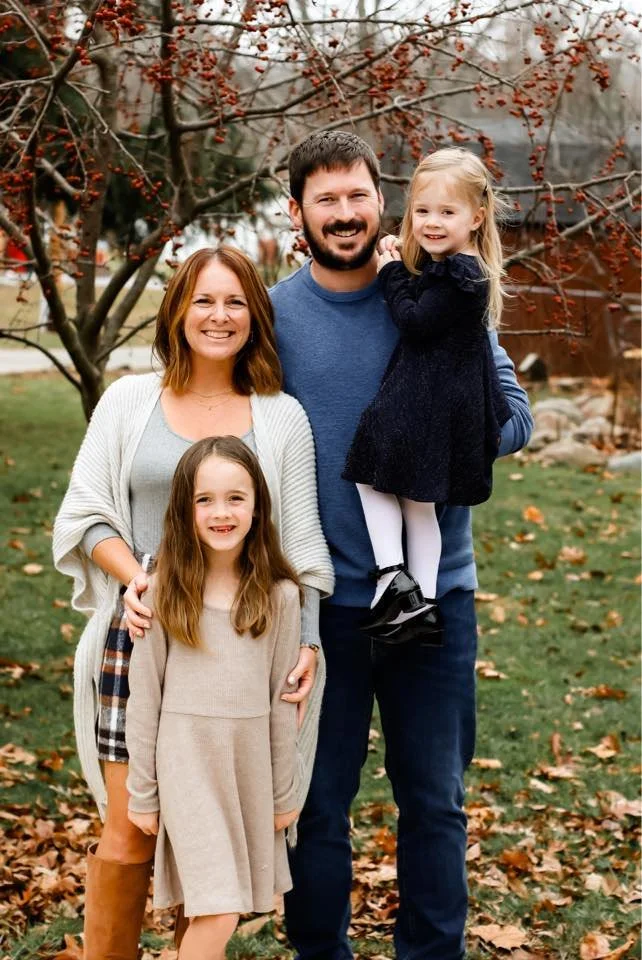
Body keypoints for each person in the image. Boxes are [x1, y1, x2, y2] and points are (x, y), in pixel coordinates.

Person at [270, 131, 533, 960]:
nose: (345, 215)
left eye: (357, 197)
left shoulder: (438, 297)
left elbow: (517, 418)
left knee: (434, 803)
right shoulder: (273, 317)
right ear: (298, 213)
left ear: (380, 203)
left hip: (435, 600)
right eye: (327, 201)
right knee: (317, 807)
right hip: (319, 615)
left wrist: (438, 432)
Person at [52, 245, 334, 959]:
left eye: (235, 301)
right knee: (130, 831)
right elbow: (85, 517)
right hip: (144, 634)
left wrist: (307, 641)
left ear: (255, 317)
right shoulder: (127, 402)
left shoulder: (281, 417)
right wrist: (137, 579)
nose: (219, 315)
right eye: (203, 300)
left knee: (211, 845)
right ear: (177, 310)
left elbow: (300, 544)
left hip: (243, 648)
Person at [126, 435, 303, 960]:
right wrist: (143, 791)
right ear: (185, 509)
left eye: (235, 497)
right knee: (221, 908)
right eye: (205, 499)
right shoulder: (163, 592)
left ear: (258, 506)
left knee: (215, 909)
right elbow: (144, 698)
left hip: (246, 770)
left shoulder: (280, 596)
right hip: (186, 767)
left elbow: (281, 704)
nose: (221, 512)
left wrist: (282, 792)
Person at [342, 148, 512, 641]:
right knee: (418, 505)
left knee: (368, 476)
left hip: (428, 402)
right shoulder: (456, 267)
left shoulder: (461, 274)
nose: (431, 222)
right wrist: (406, 257)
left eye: (447, 212)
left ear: (476, 218)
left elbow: (414, 319)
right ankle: (424, 603)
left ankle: (393, 579)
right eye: (422, 211)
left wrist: (389, 272)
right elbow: (427, 294)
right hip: (440, 398)